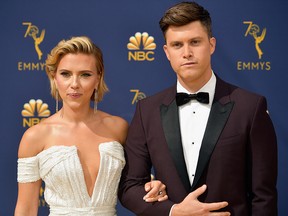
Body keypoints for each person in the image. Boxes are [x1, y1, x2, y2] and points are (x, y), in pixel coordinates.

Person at [118, 1, 277, 216]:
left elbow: (264, 196)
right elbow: (130, 188)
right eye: (177, 45)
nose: (187, 52)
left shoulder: (250, 107)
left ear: (211, 45)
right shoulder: (147, 110)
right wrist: (173, 210)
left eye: (195, 42)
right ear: (166, 51)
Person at [14, 36, 168, 216]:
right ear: (54, 77)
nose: (74, 84)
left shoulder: (118, 128)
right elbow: (26, 209)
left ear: (98, 79)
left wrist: (152, 185)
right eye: (65, 74)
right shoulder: (34, 137)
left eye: (85, 75)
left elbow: (136, 182)